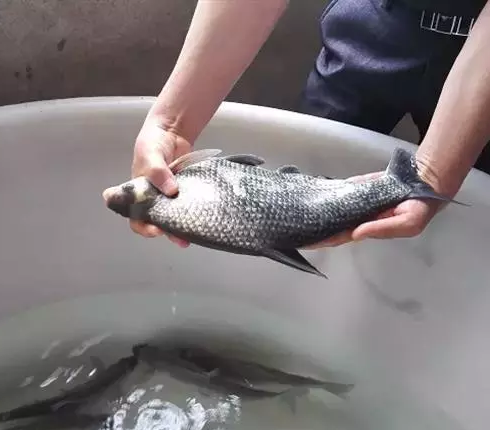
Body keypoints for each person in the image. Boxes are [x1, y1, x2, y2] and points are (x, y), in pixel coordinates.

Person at [128, 0, 490, 249]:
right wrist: (172, 124)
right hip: (378, 19)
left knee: (476, 209)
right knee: (309, 176)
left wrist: (436, 171)